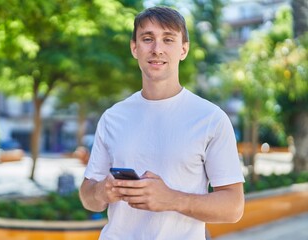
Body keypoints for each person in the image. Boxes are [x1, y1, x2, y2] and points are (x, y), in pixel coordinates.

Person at [79, 6, 245, 240]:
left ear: (183, 49)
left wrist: (172, 199)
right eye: (148, 39)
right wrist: (102, 192)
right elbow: (88, 197)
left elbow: (234, 207)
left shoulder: (211, 119)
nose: (157, 49)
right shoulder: (112, 117)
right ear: (134, 48)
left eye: (168, 39)